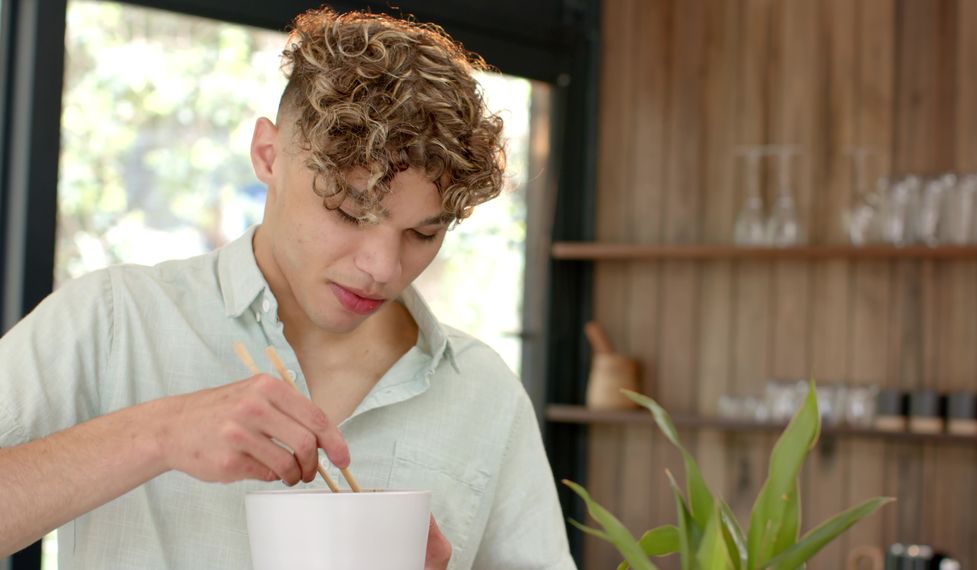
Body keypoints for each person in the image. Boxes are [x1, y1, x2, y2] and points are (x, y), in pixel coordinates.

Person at [0, 8, 574, 569]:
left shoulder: (483, 393)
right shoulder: (113, 321)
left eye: (424, 232)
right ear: (268, 156)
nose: (382, 267)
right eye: (351, 210)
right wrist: (157, 434)